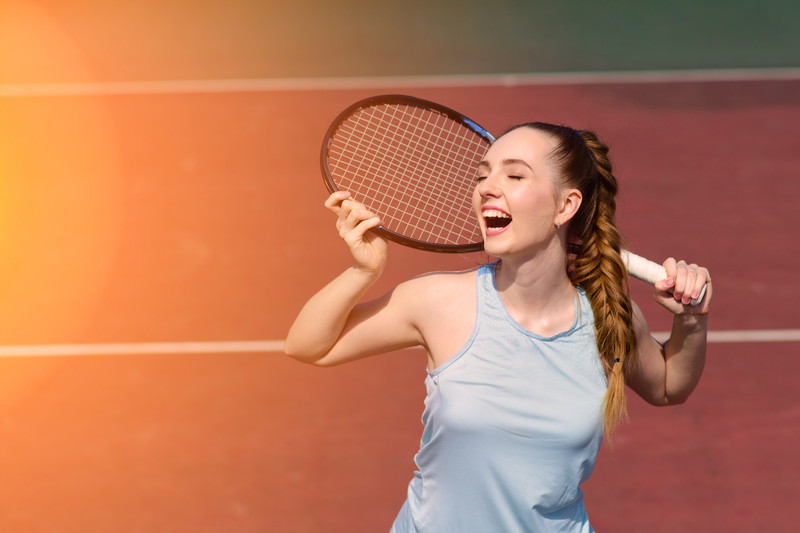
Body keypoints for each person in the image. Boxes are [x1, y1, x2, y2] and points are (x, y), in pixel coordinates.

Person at [284, 121, 711, 533]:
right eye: (483, 175)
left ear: (566, 206)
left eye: (514, 175)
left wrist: (691, 319)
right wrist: (363, 272)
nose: (488, 187)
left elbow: (669, 386)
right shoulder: (439, 302)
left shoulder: (607, 316)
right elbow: (309, 346)